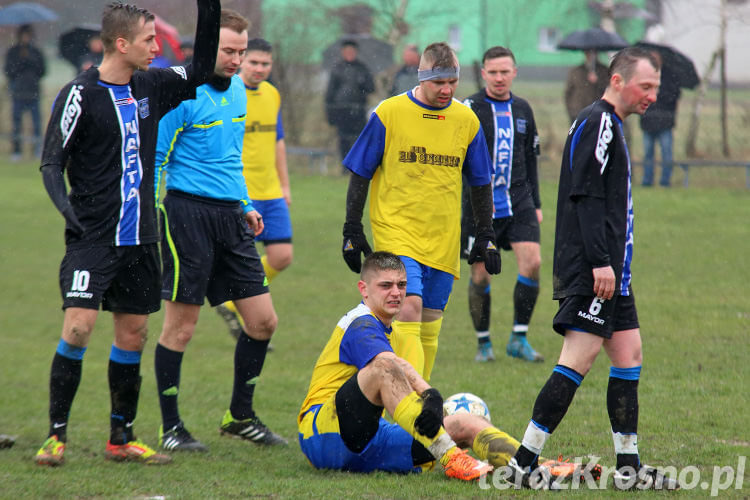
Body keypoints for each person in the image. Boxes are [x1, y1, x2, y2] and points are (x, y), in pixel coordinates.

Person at [35, 0, 221, 467]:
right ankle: (55, 436)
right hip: (92, 238)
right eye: (148, 41)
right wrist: (65, 209)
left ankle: (121, 437)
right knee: (78, 328)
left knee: (133, 334)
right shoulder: (79, 93)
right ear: (121, 44)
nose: (157, 48)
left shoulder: (152, 84)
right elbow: (52, 160)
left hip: (141, 238)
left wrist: (210, 6)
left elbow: (200, 67)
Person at [507, 47, 678, 490]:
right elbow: (585, 194)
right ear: (618, 81)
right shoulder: (599, 121)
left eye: (656, 87)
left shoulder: (611, 124)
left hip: (612, 274)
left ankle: (629, 467)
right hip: (594, 271)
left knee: (629, 356)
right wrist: (601, 261)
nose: (652, 96)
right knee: (577, 362)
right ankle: (523, 464)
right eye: (646, 86)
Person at [298, 251, 590, 481]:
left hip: (369, 440)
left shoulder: (392, 327)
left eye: (401, 285)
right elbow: (387, 366)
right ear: (364, 289)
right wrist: (429, 394)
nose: (396, 293)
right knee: (383, 369)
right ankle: (450, 456)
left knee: (463, 421)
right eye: (385, 285)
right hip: (324, 434)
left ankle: (530, 465)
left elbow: (399, 366)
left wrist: (432, 398)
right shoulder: (359, 323)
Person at [153, 11, 286, 452]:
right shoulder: (180, 96)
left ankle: (240, 416)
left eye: (241, 52)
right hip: (186, 215)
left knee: (264, 321)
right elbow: (155, 163)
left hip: (231, 217)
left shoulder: (240, 96)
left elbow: (232, 160)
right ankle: (170, 428)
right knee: (181, 328)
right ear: (208, 48)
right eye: (228, 51)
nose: (236, 60)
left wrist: (246, 205)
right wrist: (153, 215)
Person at [341, 42, 501, 383]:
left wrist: (486, 234)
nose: (446, 90)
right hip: (397, 231)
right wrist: (351, 228)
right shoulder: (389, 113)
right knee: (408, 307)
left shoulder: (466, 120)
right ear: (421, 77)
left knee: (429, 322)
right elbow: (360, 172)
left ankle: (411, 412)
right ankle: (413, 404)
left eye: (452, 82)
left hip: (443, 238)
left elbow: (480, 182)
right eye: (438, 82)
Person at [461, 46, 544, 363]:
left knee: (533, 263)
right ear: (483, 73)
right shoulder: (469, 107)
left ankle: (518, 338)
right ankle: (484, 344)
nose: (498, 78)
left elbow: (530, 160)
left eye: (504, 71)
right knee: (480, 275)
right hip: (479, 207)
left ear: (514, 72)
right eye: (492, 72)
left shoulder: (523, 109)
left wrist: (536, 203)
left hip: (519, 201)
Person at [216, 37, 293, 340]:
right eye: (254, 62)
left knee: (282, 256)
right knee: (241, 260)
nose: (260, 68)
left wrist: (285, 185)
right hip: (241, 192)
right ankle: (252, 319)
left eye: (266, 63)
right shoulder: (227, 93)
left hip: (271, 191)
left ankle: (233, 303)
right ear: (242, 61)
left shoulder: (273, 94)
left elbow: (278, 142)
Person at [325, 40, 374, 172]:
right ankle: (345, 166)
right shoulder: (337, 69)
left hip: (358, 110)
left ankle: (357, 165)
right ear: (343, 52)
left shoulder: (362, 68)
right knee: (343, 139)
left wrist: (363, 82)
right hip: (342, 110)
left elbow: (371, 88)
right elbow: (330, 94)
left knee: (359, 138)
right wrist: (330, 114)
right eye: (347, 51)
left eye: (352, 51)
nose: (349, 54)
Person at [4, 24, 46, 161]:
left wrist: (30, 62)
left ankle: (37, 149)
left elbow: (42, 71)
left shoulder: (36, 52)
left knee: (36, 123)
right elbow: (8, 71)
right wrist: (21, 63)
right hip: (18, 93)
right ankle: (16, 150)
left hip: (33, 92)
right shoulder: (13, 52)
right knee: (16, 123)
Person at [640, 52, 679, 187]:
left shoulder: (670, 77)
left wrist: (659, 91)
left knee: (667, 154)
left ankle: (665, 181)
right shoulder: (643, 77)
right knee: (648, 154)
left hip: (665, 122)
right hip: (648, 122)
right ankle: (647, 181)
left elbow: (674, 96)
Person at [564, 49, 608, 123]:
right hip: (578, 111)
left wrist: (598, 81)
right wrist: (571, 110)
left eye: (593, 53)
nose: (590, 56)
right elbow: (568, 92)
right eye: (588, 53)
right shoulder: (576, 71)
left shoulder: (603, 70)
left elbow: (608, 90)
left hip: (597, 112)